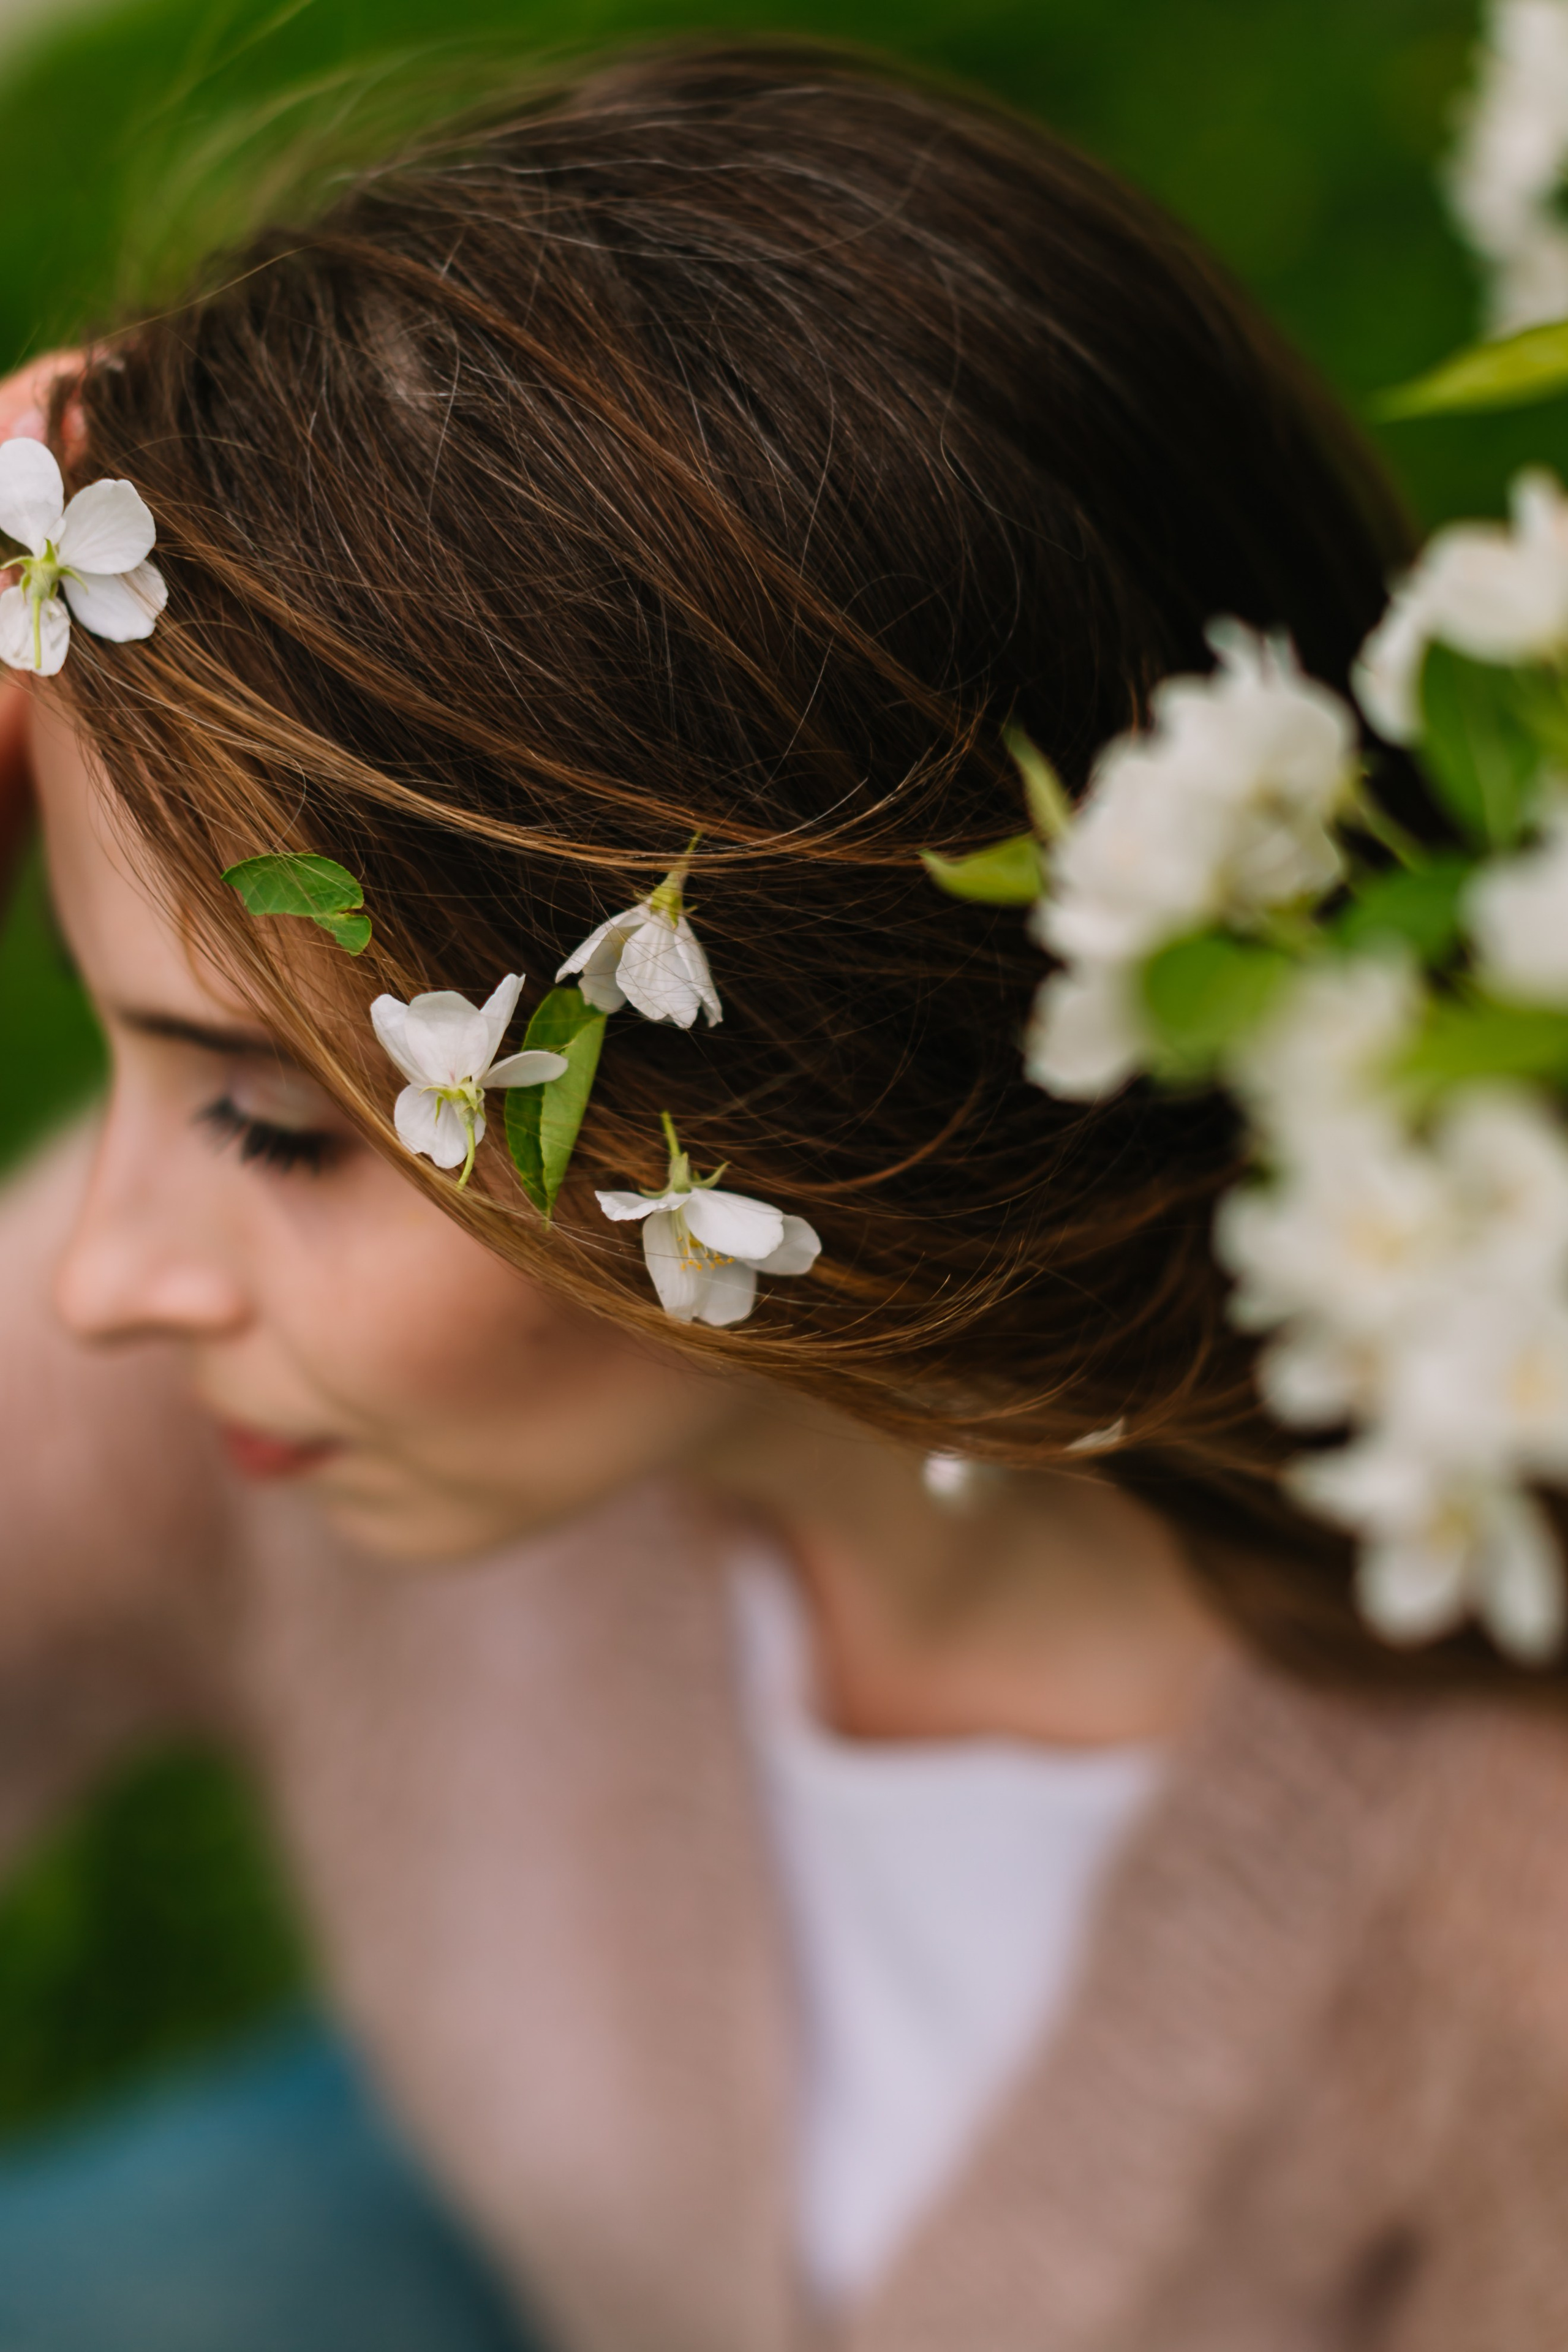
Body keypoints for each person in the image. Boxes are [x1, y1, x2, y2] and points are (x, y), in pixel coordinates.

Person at [0, 37, 1564, 2352]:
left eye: (279, 1126)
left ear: (814, 1099)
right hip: (514, 2205)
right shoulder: (325, 1389)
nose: (110, 1271)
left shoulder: (1491, 1929)